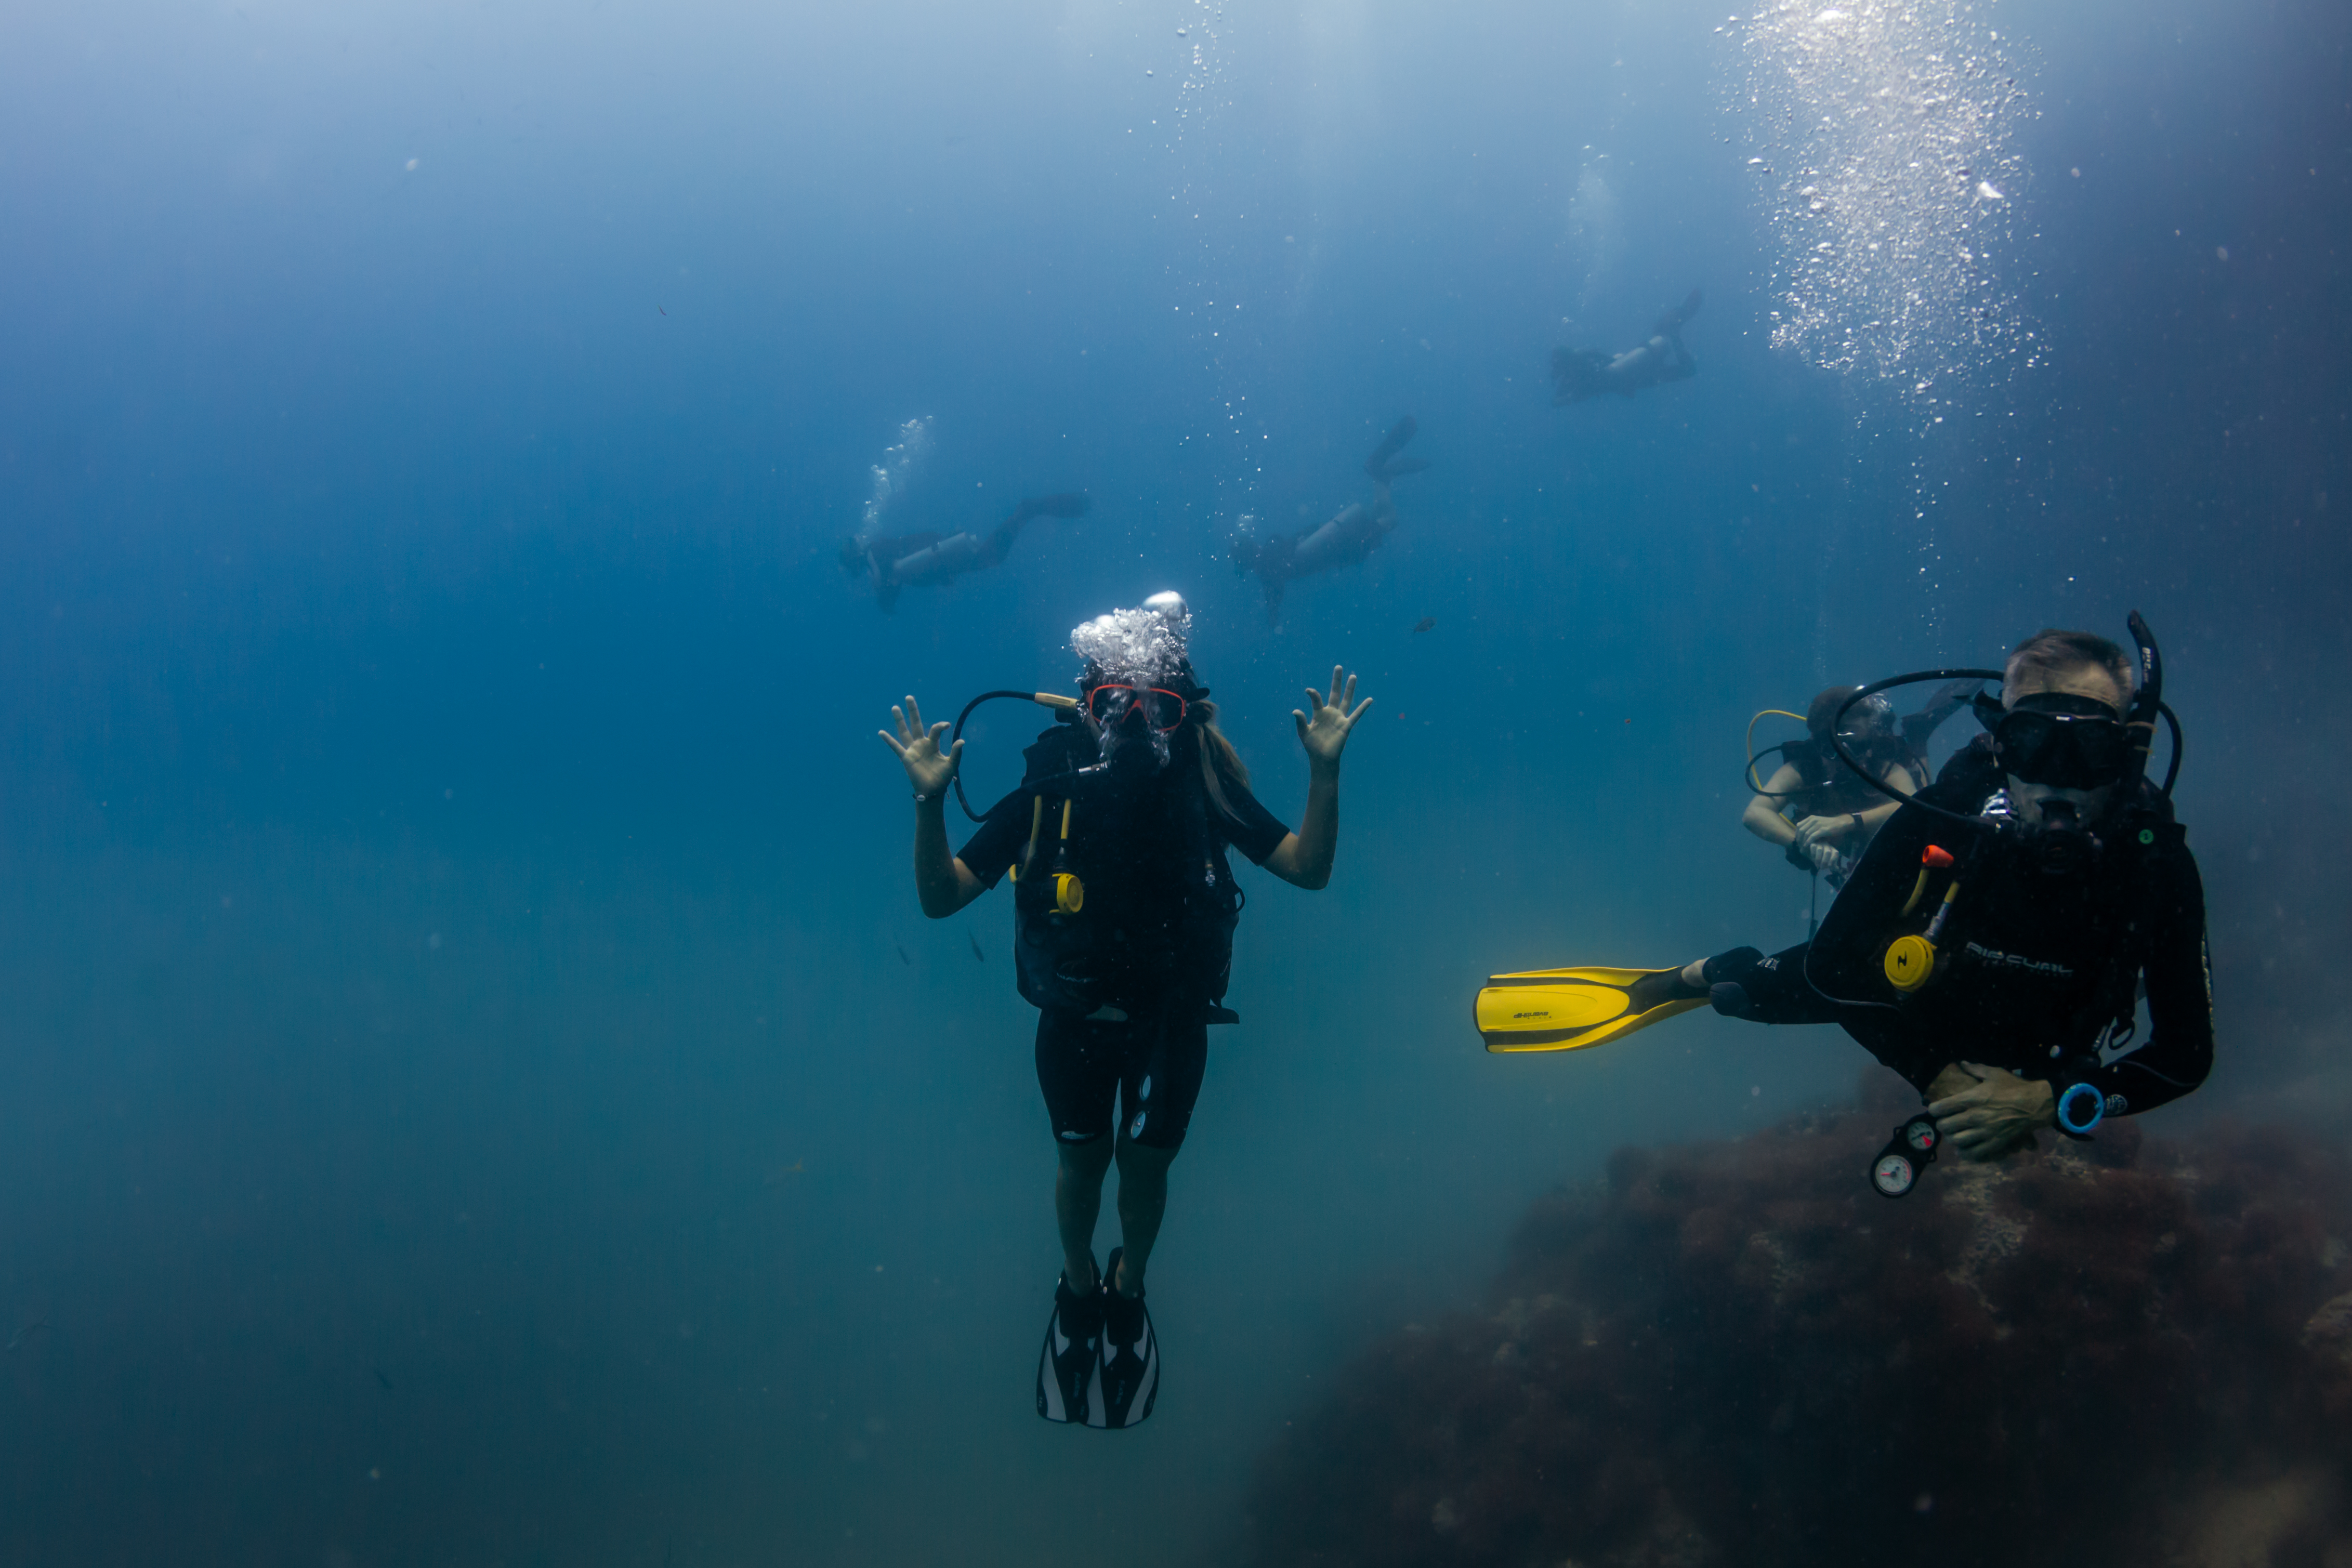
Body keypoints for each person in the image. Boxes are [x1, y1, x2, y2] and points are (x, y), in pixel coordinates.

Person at [879, 592, 1371, 1428]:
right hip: (1073, 1027)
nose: (1139, 724)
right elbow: (939, 899)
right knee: (1081, 1167)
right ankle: (1078, 1287)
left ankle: (1127, 1287)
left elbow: (1309, 868)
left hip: (1171, 1029)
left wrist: (1324, 770)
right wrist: (929, 803)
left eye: (1160, 706)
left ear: (1185, 714)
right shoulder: (1048, 794)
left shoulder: (1206, 789)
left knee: (1144, 1173)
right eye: (1116, 705)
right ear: (1089, 710)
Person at [1479, 620, 2211, 1172]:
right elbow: (1835, 970)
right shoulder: (1941, 815)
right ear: (1997, 745)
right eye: (2030, 744)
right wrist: (1942, 1077)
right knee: (1742, 991)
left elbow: (2185, 1055)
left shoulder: (2155, 864)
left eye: (2085, 748)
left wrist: (2047, 1098)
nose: (2055, 780)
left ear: (2128, 751)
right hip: (1907, 993)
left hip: (2044, 1045)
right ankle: (1681, 980)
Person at [1742, 679, 1978, 890]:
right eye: (1857, 745)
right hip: (1856, 846)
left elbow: (1915, 804)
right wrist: (1800, 844)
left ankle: (1918, 736)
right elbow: (1755, 814)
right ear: (1831, 743)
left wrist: (1847, 821)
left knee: (1929, 803)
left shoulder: (1879, 763)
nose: (1866, 754)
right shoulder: (1802, 770)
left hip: (1867, 832)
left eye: (1868, 743)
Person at [1231, 417, 1427, 624]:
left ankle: (1378, 469)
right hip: (1334, 540)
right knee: (1379, 517)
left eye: (1240, 562)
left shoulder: (1265, 566)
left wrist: (1273, 614)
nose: (1242, 567)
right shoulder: (1270, 553)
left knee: (1388, 520)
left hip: (1338, 546)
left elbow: (1276, 588)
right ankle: (1382, 474)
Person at [840, 491, 1090, 612]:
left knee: (992, 557)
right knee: (991, 557)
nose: (854, 570)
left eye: (850, 564)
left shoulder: (873, 557)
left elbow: (888, 592)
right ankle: (1026, 513)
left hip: (941, 558)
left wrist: (884, 600)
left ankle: (1025, 512)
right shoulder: (878, 552)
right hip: (940, 556)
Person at [1551, 288, 1703, 404]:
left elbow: (1558, 401)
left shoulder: (1575, 374)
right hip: (1631, 371)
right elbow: (1557, 400)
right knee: (1680, 366)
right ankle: (1669, 331)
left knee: (1685, 370)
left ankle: (1670, 333)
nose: (1556, 372)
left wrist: (1573, 396)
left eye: (1557, 365)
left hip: (1632, 376)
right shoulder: (1579, 364)